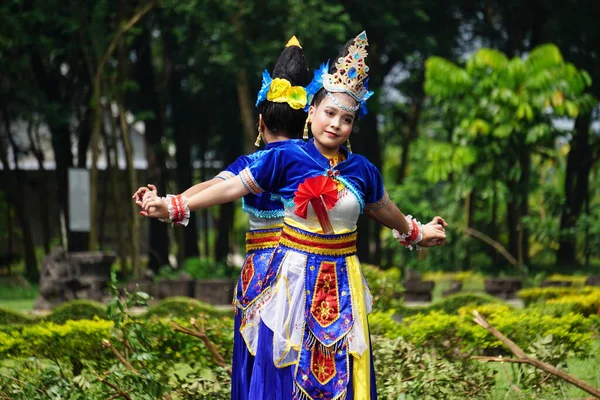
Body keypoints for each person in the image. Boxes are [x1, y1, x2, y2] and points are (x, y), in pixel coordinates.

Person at [141, 31, 447, 400]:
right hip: (292, 279)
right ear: (312, 112)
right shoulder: (285, 158)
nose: (335, 124)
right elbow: (229, 187)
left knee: (342, 365)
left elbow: (383, 209)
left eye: (346, 118)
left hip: (342, 281)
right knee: (285, 367)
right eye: (329, 113)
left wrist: (417, 232)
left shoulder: (363, 170)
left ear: (353, 125)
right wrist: (173, 205)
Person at [134, 37, 313, 400]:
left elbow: (213, 187)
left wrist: (169, 203)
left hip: (260, 275)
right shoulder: (318, 164)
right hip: (309, 271)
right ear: (307, 121)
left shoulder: (253, 163)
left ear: (260, 122)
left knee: (261, 364)